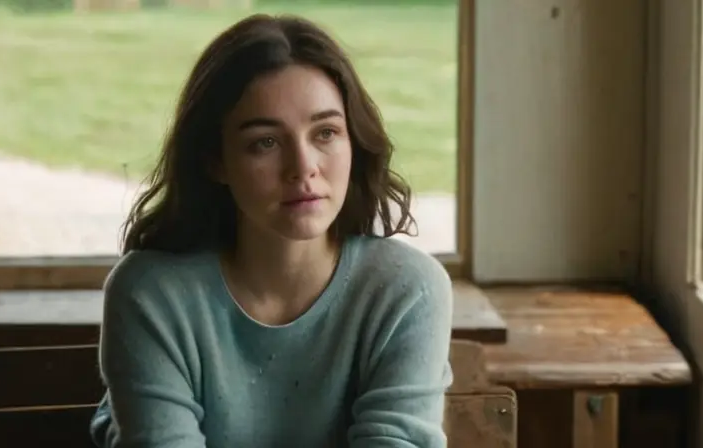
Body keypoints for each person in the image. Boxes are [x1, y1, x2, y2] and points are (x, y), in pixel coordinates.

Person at [89, 13, 453, 448]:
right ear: (215, 160)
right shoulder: (151, 294)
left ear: (353, 140)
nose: (303, 169)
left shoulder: (407, 290)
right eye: (265, 142)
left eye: (326, 133)